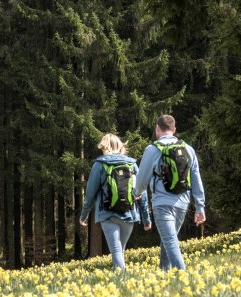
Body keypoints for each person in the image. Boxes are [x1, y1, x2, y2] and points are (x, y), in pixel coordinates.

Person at [135, 114, 206, 271]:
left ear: (157, 129)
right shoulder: (188, 149)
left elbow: (142, 178)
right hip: (182, 202)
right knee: (168, 240)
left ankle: (184, 276)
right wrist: (200, 206)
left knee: (169, 240)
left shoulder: (152, 149)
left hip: (162, 203)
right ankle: (164, 276)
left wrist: (137, 192)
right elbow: (196, 178)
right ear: (174, 130)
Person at [78, 134, 147, 271]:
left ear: (104, 146)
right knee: (120, 250)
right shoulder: (131, 164)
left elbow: (90, 193)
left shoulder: (100, 164)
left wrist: (84, 215)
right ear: (120, 146)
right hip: (129, 213)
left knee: (116, 250)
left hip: (107, 213)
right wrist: (146, 218)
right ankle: (122, 281)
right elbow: (142, 191)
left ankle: (121, 281)